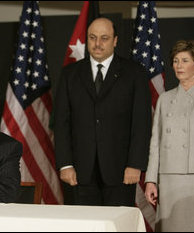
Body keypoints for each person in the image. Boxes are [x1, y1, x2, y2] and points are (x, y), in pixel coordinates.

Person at [54, 17, 152, 206]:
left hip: (121, 171)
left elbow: (141, 123)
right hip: (79, 173)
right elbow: (61, 123)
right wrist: (65, 164)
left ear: (115, 40)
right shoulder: (70, 74)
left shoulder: (134, 73)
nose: (97, 44)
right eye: (92, 37)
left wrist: (135, 164)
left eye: (104, 38)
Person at [144, 40, 194, 232]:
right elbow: (156, 143)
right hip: (168, 176)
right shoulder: (165, 98)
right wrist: (151, 180)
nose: (179, 66)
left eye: (184, 60)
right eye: (176, 60)